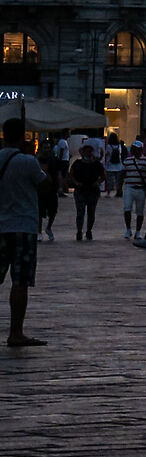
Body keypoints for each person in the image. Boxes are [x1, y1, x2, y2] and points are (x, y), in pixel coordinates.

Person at [1, 115, 48, 347]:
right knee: (20, 281)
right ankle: (15, 332)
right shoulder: (28, 162)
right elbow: (43, 184)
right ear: (22, 137)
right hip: (23, 226)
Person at [68, 142, 104, 242]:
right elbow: (71, 174)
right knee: (80, 211)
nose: (88, 154)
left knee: (91, 212)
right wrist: (76, 183)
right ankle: (79, 230)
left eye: (90, 152)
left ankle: (88, 230)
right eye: (87, 152)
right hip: (81, 190)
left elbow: (103, 175)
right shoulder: (77, 163)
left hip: (92, 190)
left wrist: (97, 182)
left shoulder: (96, 164)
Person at [121, 145, 146, 240]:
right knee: (127, 208)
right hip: (129, 187)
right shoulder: (127, 161)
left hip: (140, 188)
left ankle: (138, 231)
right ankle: (128, 229)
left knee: (140, 211)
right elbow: (123, 173)